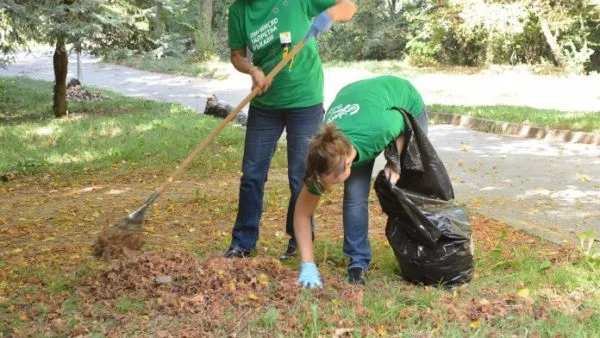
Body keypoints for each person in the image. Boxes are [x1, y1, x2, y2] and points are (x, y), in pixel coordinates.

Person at [224, 0, 356, 260]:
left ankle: (298, 241)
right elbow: (237, 55)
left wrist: (330, 15)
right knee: (252, 174)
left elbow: (349, 7)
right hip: (265, 103)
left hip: (304, 100)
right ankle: (243, 242)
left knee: (301, 176)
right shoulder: (239, 10)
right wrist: (253, 69)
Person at [293, 75, 430, 288]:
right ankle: (358, 263)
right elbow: (302, 214)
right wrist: (307, 264)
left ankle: (423, 253)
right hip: (357, 97)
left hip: (404, 104)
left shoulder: (380, 128)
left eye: (332, 183)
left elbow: (403, 121)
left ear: (348, 164)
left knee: (410, 182)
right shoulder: (324, 156)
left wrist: (395, 162)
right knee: (355, 197)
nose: (327, 188)